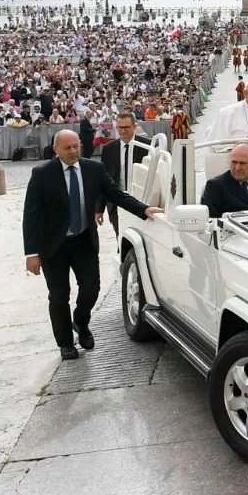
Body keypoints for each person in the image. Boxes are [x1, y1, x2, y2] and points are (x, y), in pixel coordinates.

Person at [23, 130, 162, 360]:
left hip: (83, 241)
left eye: (76, 146)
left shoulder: (93, 169)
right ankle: (66, 343)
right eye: (67, 148)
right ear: (56, 149)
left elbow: (116, 194)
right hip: (53, 247)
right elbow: (31, 215)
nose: (73, 151)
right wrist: (31, 253)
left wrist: (144, 209)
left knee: (91, 288)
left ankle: (80, 321)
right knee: (59, 295)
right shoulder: (41, 174)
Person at [100, 113, 151, 234]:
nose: (123, 131)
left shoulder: (147, 146)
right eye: (120, 127)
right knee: (121, 237)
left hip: (142, 202)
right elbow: (102, 180)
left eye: (126, 127)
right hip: (117, 203)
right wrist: (99, 208)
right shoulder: (108, 149)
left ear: (134, 126)